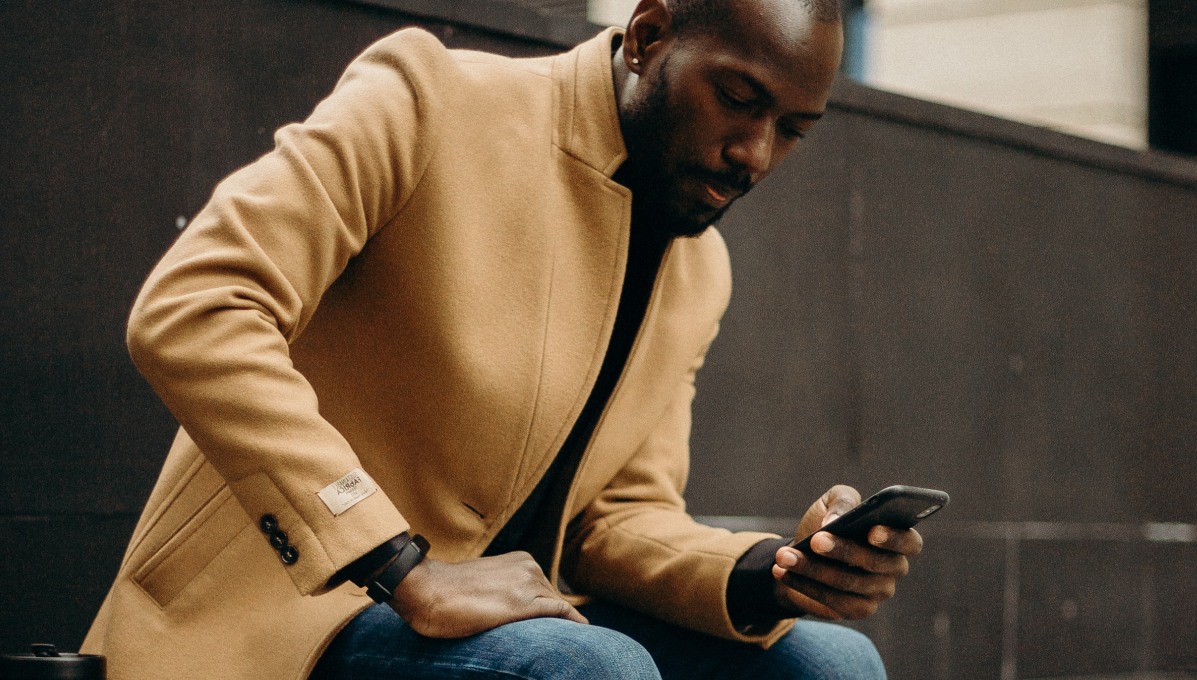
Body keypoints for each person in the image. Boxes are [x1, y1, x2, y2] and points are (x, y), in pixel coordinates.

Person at [83, 0, 925, 678]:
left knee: (831, 662)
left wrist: (772, 574)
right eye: (737, 100)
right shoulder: (430, 98)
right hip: (295, 610)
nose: (755, 154)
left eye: (793, 129)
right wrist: (398, 565)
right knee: (586, 667)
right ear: (647, 36)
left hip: (515, 619)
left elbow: (613, 519)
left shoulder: (698, 267)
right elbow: (197, 305)